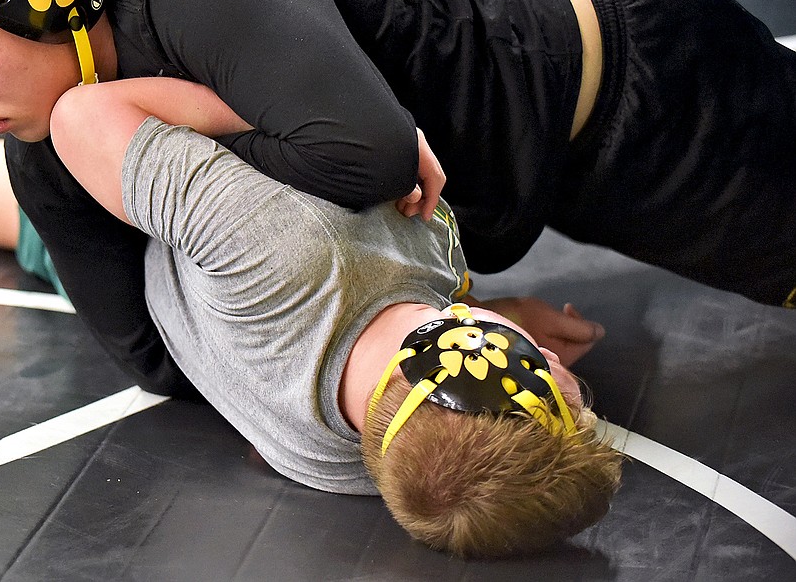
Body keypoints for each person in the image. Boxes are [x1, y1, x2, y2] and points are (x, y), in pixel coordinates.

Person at [0, 0, 796, 398]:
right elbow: (156, 361)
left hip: (624, 63)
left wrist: (192, 114)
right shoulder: (47, 142)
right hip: (513, 130)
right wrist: (426, 328)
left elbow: (371, 158)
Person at [43, 74, 622, 558]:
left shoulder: (290, 248)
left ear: (472, 355)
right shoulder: (359, 467)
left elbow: (79, 116)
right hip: (195, 272)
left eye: (545, 371)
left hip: (122, 207)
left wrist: (345, 121)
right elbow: (459, 457)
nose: (550, 358)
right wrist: (487, 307)